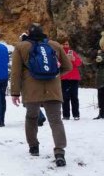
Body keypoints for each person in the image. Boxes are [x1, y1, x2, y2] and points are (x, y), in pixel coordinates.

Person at [10, 24, 72, 166]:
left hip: (31, 89)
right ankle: (59, 151)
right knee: (56, 120)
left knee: (31, 117)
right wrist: (56, 75)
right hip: (53, 88)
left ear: (28, 33)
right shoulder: (55, 45)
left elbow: (16, 72)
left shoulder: (21, 47)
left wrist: (15, 92)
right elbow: (68, 66)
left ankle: (33, 147)